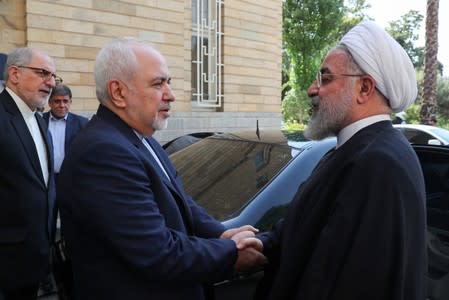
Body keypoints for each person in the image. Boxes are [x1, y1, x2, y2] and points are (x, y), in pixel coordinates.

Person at [57, 37, 267, 300]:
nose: (171, 94)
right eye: (158, 84)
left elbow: (180, 201)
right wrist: (230, 253)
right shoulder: (103, 153)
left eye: (169, 82)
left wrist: (220, 232)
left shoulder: (140, 137)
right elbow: (157, 252)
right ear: (119, 92)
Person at [255, 21, 426, 300]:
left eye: (326, 78)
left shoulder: (379, 163)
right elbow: (304, 228)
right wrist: (257, 245)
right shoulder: (354, 151)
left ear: (364, 88)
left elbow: (354, 281)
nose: (313, 89)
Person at [0, 48, 57, 299]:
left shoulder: (39, 119)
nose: (52, 82)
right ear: (15, 74)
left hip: (36, 254)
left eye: (54, 76)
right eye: (43, 73)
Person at [43, 84, 89, 177]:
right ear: (49, 102)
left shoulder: (82, 123)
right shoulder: (40, 120)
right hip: (46, 177)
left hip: (72, 177)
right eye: (57, 101)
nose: (62, 105)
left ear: (70, 102)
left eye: (65, 101)